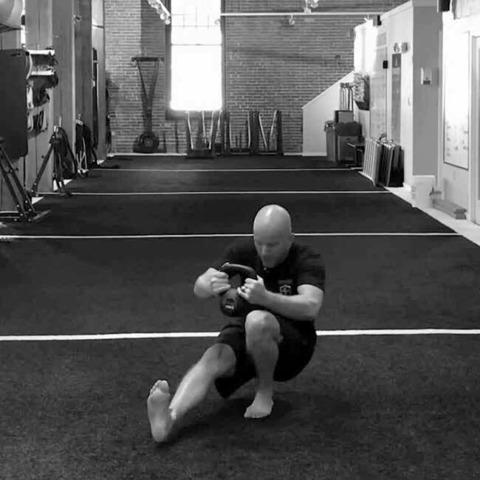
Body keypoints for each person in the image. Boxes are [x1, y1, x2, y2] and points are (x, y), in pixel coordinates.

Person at [147, 204, 326, 443]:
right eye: (259, 242)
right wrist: (207, 284)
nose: (263, 251)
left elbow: (311, 306)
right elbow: (199, 286)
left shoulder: (307, 258)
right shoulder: (242, 249)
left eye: (272, 245)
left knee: (257, 320)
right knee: (214, 356)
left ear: (290, 239)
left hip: (293, 344)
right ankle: (167, 420)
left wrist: (266, 298)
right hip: (249, 331)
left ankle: (264, 392)